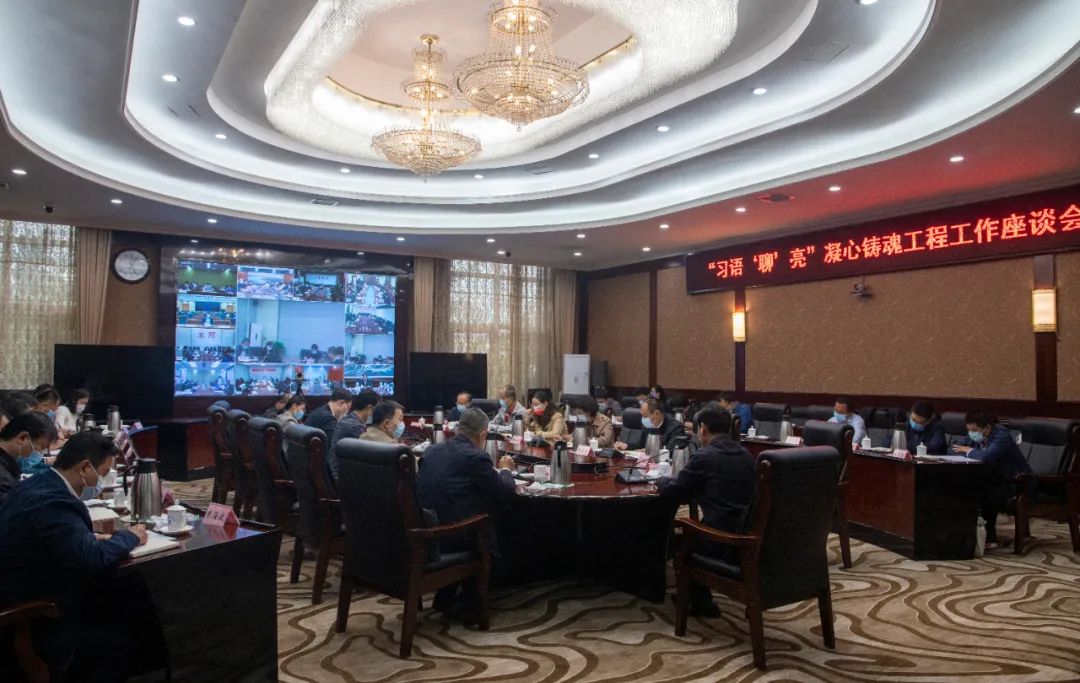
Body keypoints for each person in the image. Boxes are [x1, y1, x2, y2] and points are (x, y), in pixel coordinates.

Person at [0, 432, 149, 679]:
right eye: (103, 472)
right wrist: (131, 536)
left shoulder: (37, 484)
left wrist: (87, 538)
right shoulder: (54, 502)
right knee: (126, 633)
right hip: (34, 617)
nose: (102, 480)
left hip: (17, 587)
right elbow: (94, 559)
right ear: (85, 468)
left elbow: (54, 538)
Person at [415, 407, 517, 624]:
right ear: (483, 434)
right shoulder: (476, 457)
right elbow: (504, 493)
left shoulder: (432, 450)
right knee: (499, 536)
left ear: (458, 428)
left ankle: (445, 596)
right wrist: (506, 471)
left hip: (424, 530)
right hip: (452, 536)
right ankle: (466, 603)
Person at [657, 402, 756, 617]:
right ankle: (700, 598)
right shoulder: (747, 455)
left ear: (702, 429)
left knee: (677, 538)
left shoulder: (705, 456)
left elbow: (675, 490)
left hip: (721, 540)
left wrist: (659, 480)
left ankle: (698, 600)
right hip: (749, 534)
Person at [953, 410, 1032, 549]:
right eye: (969, 430)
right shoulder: (978, 434)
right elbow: (956, 449)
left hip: (1018, 483)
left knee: (985, 490)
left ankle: (989, 536)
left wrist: (969, 451)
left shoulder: (1001, 435)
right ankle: (966, 534)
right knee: (966, 486)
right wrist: (968, 450)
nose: (971, 434)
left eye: (974, 431)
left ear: (987, 427)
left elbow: (986, 457)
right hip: (995, 479)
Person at [0, 412, 57, 502]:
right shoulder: (3, 479)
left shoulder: (9, 466)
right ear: (22, 437)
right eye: (41, 448)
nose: (40, 453)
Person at [327, 390, 380, 481]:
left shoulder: (349, 420)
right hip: (340, 478)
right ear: (370, 408)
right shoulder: (354, 427)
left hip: (335, 473)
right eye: (378, 410)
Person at [617, 397, 686, 452]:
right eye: (642, 416)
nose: (642, 419)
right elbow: (641, 444)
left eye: (645, 416)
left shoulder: (676, 427)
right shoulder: (649, 426)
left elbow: (672, 449)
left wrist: (649, 450)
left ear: (657, 413)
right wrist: (626, 446)